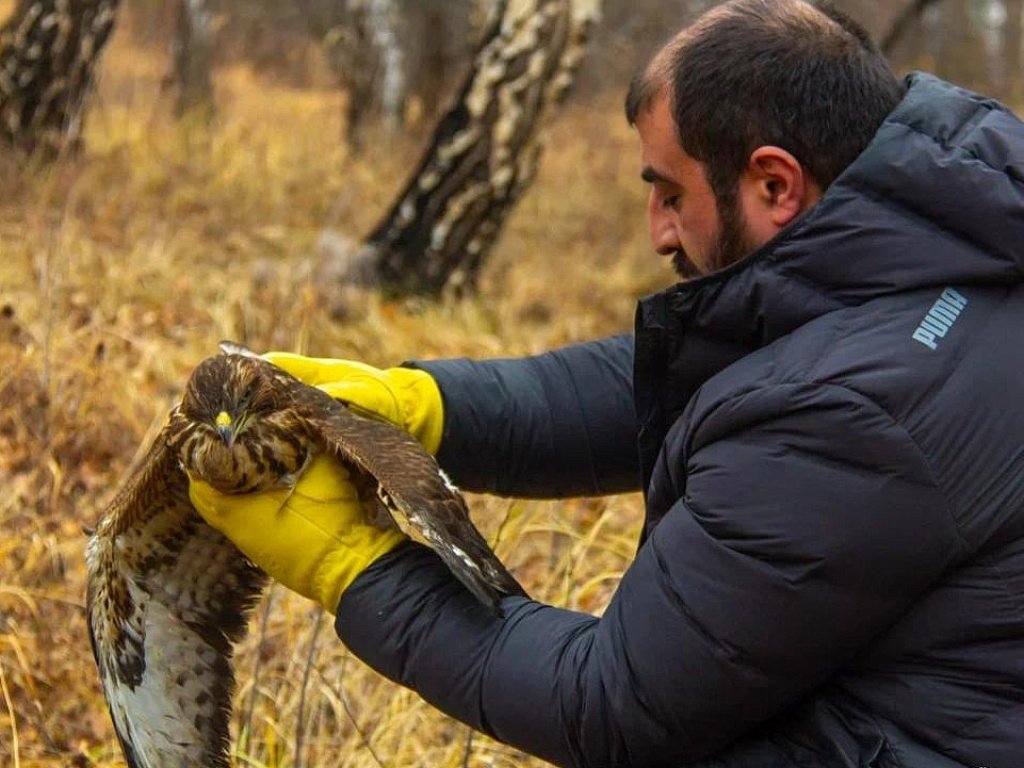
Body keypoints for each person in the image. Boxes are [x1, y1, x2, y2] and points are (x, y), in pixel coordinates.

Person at [189, 1, 1024, 766]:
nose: (658, 230)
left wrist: (353, 565)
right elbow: (706, 369)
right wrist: (419, 406)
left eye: (670, 192)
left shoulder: (859, 419)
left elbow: (614, 705)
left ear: (775, 183)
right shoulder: (954, 238)